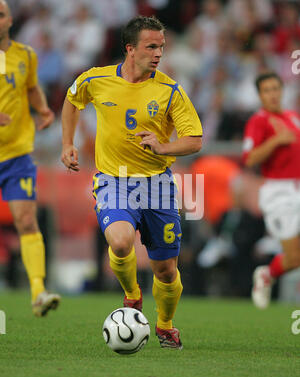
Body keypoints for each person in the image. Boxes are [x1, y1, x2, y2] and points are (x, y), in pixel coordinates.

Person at [61, 15, 203, 349]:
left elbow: (195, 140)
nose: (158, 53)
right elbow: (72, 101)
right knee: (121, 242)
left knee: (166, 270)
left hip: (157, 186)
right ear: (130, 48)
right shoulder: (95, 80)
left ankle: (166, 325)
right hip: (114, 180)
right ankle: (132, 295)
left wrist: (162, 145)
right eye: (151, 46)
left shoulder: (169, 90)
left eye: (162, 47)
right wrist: (68, 143)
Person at [0, 0, 60, 316]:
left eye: (0, 14)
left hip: (16, 154)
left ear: (10, 20)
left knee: (26, 220)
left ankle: (38, 291)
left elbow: (32, 88)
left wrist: (44, 109)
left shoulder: (26, 55)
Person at [243, 72, 300, 309]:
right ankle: (266, 274)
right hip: (279, 193)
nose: (273, 94)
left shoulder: (292, 117)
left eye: (276, 88)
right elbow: (249, 158)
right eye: (267, 90)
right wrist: (275, 141)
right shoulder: (259, 120)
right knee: (294, 257)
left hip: (297, 187)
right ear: (260, 95)